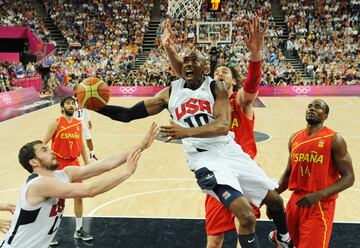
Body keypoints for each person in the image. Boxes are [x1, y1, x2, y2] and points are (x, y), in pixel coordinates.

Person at [95, 49, 293, 248]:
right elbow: (128, 114)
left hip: (230, 151)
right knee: (246, 217)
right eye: (185, 61)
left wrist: (186, 132)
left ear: (204, 68)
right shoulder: (170, 93)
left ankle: (283, 238)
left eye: (194, 61)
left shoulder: (217, 88)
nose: (188, 64)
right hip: (205, 160)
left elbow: (223, 126)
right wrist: (97, 107)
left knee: (275, 200)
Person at [162, 18, 264, 248]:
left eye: (225, 72)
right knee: (214, 238)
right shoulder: (205, 101)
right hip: (217, 175)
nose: (220, 74)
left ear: (234, 81)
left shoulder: (239, 101)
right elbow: (184, 73)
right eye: (217, 70)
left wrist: (255, 56)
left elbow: (251, 87)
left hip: (240, 173)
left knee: (244, 226)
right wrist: (169, 48)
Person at [0, 123, 158, 248]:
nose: (52, 151)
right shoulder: (39, 184)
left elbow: (106, 165)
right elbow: (89, 190)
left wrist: (141, 146)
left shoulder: (64, 174)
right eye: (44, 150)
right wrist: (126, 173)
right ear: (34, 162)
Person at [269, 99, 355, 248]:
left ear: (325, 116)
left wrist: (318, 195)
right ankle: (279, 237)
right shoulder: (295, 138)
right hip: (295, 203)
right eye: (309, 106)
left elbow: (349, 177)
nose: (312, 109)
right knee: (286, 245)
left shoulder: (334, 139)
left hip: (319, 205)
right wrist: (273, 198)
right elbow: (289, 173)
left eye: (317, 107)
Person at [43, 96, 91, 243]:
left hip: (74, 164)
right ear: (62, 107)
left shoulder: (78, 123)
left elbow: (81, 144)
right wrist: (45, 164)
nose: (71, 105)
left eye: (73, 103)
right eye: (68, 103)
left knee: (79, 196)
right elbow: (43, 143)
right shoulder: (56, 122)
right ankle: (47, 235)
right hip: (58, 165)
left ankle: (78, 230)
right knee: (55, 200)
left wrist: (87, 162)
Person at [73, 91, 98, 160]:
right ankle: (73, 156)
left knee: (89, 138)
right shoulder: (71, 101)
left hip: (82, 122)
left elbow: (86, 110)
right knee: (75, 140)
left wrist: (89, 120)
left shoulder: (82, 100)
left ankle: (92, 154)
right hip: (74, 123)